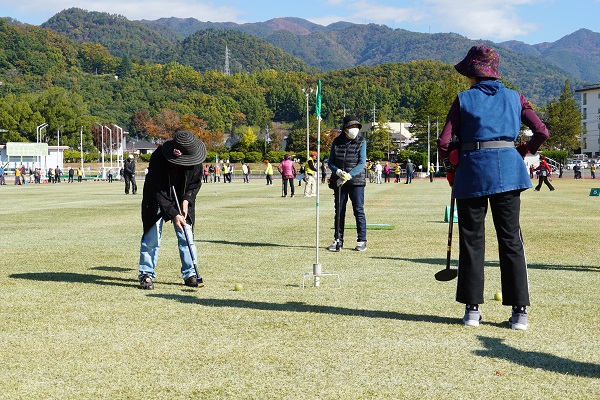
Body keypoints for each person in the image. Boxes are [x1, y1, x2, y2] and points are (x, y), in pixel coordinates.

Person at [438, 44, 549, 330]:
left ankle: (472, 311)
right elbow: (542, 131)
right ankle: (519, 312)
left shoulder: (463, 99)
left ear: (472, 72)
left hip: (472, 171)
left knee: (472, 240)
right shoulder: (516, 97)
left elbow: (443, 142)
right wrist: (524, 149)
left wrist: (451, 164)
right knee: (511, 240)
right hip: (509, 171)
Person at [137, 130, 206, 290]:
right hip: (155, 199)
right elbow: (157, 189)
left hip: (182, 198)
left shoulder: (195, 158)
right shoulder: (158, 157)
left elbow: (195, 183)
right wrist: (173, 213)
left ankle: (190, 274)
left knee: (186, 235)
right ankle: (146, 274)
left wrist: (187, 199)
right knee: (152, 238)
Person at [327, 115, 367, 252]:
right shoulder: (336, 142)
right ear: (344, 129)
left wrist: (349, 175)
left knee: (358, 211)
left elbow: (362, 162)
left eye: (356, 127)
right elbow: (330, 162)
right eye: (351, 127)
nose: (354, 129)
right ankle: (338, 239)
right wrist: (338, 172)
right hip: (339, 182)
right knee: (339, 211)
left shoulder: (362, 141)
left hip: (356, 181)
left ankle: (362, 240)